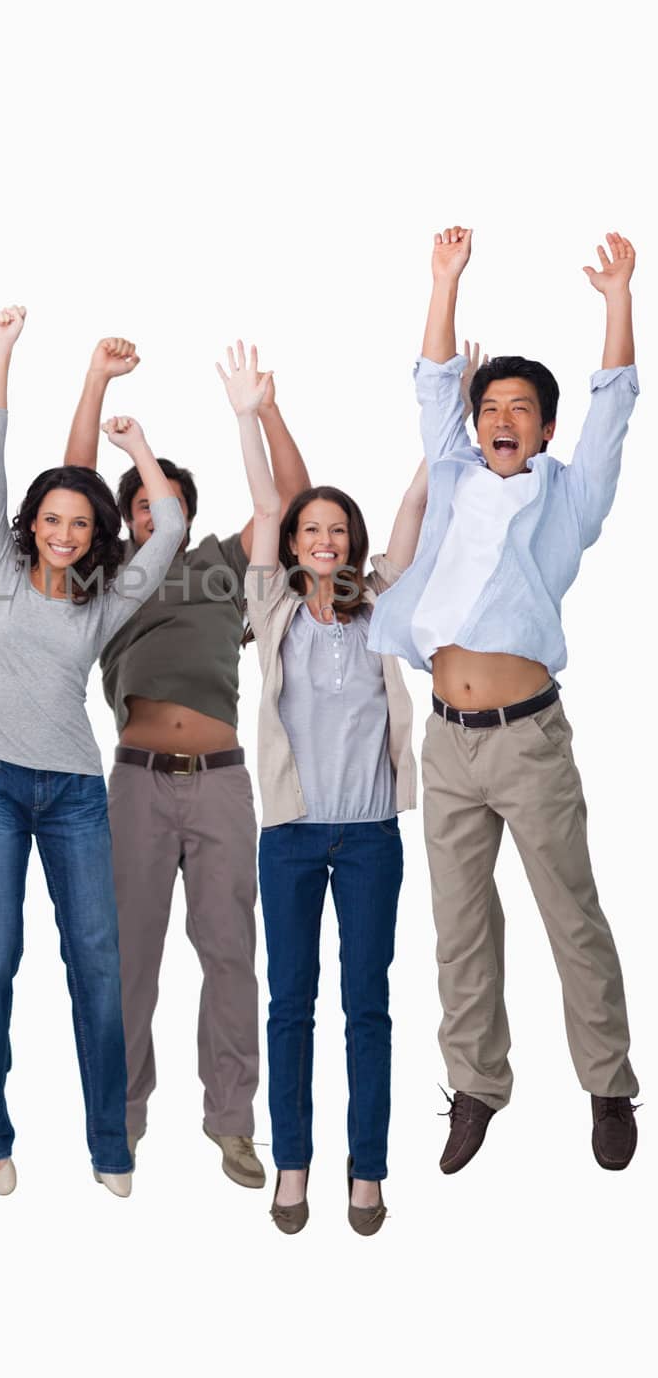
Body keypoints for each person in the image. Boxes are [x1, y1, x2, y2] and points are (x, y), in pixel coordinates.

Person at [369, 226, 641, 1174]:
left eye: (521, 408)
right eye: (492, 405)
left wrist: (616, 302)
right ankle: (476, 1088)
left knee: (569, 910)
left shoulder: (567, 501)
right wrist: (441, 276)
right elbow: (431, 379)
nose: (501, 417)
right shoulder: (448, 475)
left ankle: (608, 1084)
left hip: (526, 742)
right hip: (447, 742)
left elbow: (612, 417)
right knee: (458, 923)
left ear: (542, 429)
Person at [64, 336, 310, 1187]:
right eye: (137, 509)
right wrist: (99, 394)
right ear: (124, 522)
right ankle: (120, 1119)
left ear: (186, 517)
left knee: (229, 953)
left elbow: (288, 500)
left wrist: (259, 411)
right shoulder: (101, 583)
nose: (149, 518)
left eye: (163, 506)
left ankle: (232, 1121)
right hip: (133, 785)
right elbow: (71, 480)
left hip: (220, 785)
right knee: (127, 958)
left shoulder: (217, 567)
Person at [0, 307, 186, 1199]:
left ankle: (109, 1144)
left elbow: (164, 529)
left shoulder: (99, 606)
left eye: (78, 524)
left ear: (93, 536)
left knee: (95, 959)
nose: (62, 532)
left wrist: (138, 444)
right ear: (30, 524)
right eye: (51, 519)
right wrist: (6, 350)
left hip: (73, 794)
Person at [219, 341, 426, 1234]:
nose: (325, 540)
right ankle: (294, 1162)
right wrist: (248, 412)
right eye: (313, 531)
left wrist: (445, 428)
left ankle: (368, 1170)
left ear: (353, 545)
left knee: (366, 1004)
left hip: (373, 833)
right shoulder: (268, 609)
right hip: (293, 838)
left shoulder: (383, 605)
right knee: (290, 1002)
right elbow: (266, 500)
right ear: (296, 547)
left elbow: (419, 503)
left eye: (338, 530)